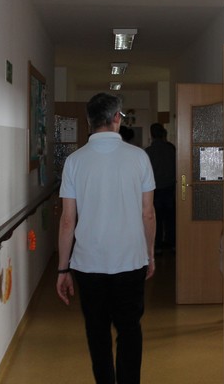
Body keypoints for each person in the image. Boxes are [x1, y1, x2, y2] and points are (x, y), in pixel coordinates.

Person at [56, 92, 156, 384]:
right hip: (131, 260)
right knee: (129, 329)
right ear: (116, 118)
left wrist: (63, 269)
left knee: (96, 332)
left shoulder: (74, 161)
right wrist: (150, 254)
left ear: (89, 121)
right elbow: (148, 213)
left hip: (88, 264)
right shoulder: (139, 158)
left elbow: (67, 220)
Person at [145, 122, 176, 254]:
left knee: (156, 218)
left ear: (151, 135)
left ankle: (156, 246)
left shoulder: (148, 152)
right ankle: (172, 243)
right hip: (170, 188)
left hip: (155, 190)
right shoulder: (171, 149)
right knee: (170, 218)